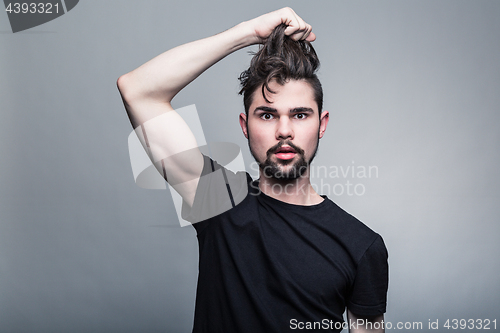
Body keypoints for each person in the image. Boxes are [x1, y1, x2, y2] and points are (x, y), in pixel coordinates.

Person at [117, 7, 388, 333]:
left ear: (322, 124)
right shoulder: (218, 200)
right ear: (246, 125)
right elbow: (137, 90)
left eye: (300, 115)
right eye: (268, 115)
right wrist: (247, 33)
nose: (284, 131)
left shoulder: (362, 245)